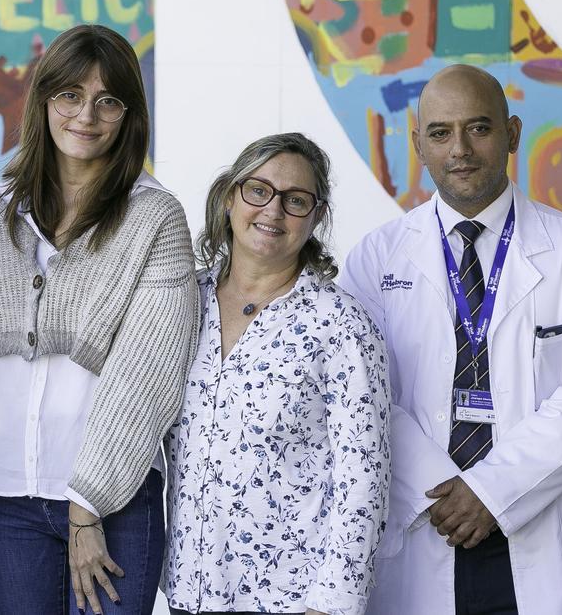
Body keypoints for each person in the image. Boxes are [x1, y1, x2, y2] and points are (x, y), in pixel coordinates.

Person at [341, 64, 562, 615]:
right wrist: (446, 489)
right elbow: (364, 397)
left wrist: (493, 493)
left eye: (479, 128)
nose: (461, 150)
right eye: (441, 132)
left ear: (513, 134)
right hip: (428, 517)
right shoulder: (376, 259)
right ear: (418, 143)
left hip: (545, 523)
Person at [0, 23, 198, 615]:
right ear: (43, 101)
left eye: (107, 100)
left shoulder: (155, 218)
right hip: (4, 496)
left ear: (129, 115)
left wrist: (88, 506)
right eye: (69, 95)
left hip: (112, 504)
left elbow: (150, 376)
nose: (86, 115)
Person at [163, 133, 391, 615]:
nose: (273, 210)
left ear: (317, 216)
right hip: (189, 588)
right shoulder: (181, 301)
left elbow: (363, 477)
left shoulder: (341, 324)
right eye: (258, 190)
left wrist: (331, 605)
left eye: (296, 200)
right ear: (230, 196)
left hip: (292, 599)